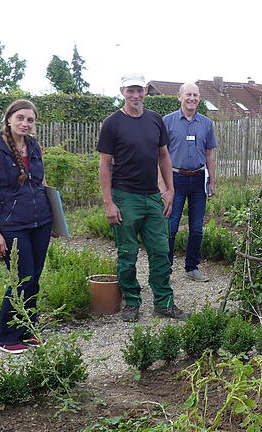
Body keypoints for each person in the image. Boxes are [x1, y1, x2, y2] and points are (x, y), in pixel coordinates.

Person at [97, 73, 189, 322]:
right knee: (127, 254)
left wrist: (169, 190)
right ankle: (132, 302)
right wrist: (109, 202)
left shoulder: (154, 120)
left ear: (146, 91)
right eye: (130, 91)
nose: (135, 95)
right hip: (125, 197)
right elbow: (105, 165)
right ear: (122, 92)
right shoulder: (112, 123)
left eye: (139, 90)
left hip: (151, 197)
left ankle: (164, 302)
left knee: (160, 251)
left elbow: (163, 155)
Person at [0, 99, 53, 354]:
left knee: (34, 279)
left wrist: (54, 218)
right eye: (20, 117)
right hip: (12, 226)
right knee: (21, 279)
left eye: (30, 120)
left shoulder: (34, 146)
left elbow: (42, 184)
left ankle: (28, 330)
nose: (25, 123)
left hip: (40, 222)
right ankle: (7, 337)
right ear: (9, 118)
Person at [162, 82, 217, 282]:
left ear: (199, 98)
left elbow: (210, 154)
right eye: (188, 95)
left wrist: (212, 181)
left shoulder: (205, 123)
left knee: (196, 227)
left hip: (198, 179)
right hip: (175, 179)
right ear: (179, 97)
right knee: (171, 225)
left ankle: (192, 267)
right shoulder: (167, 122)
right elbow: (160, 154)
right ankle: (164, 269)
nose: (192, 98)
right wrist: (164, 186)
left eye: (195, 95)